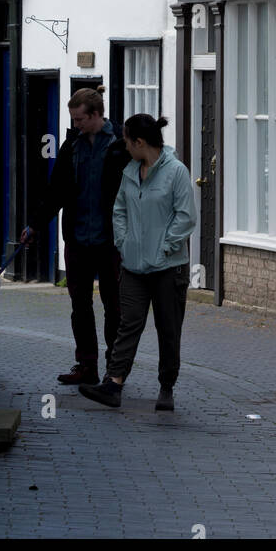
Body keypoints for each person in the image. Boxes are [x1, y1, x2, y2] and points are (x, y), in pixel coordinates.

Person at [78, 114, 197, 413]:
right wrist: (123, 241)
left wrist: (166, 248)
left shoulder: (176, 173)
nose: (125, 148)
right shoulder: (130, 172)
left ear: (140, 142)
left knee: (168, 328)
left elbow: (186, 217)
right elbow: (119, 209)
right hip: (132, 266)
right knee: (128, 324)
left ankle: (166, 387)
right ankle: (113, 383)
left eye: (128, 142)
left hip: (169, 268)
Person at [20, 86, 128, 387]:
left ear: (95, 115)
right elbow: (56, 191)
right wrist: (35, 226)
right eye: (74, 119)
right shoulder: (72, 146)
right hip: (78, 237)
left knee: (114, 306)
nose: (76, 124)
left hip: (111, 240)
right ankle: (86, 366)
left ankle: (114, 369)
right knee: (79, 305)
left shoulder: (119, 145)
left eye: (80, 119)